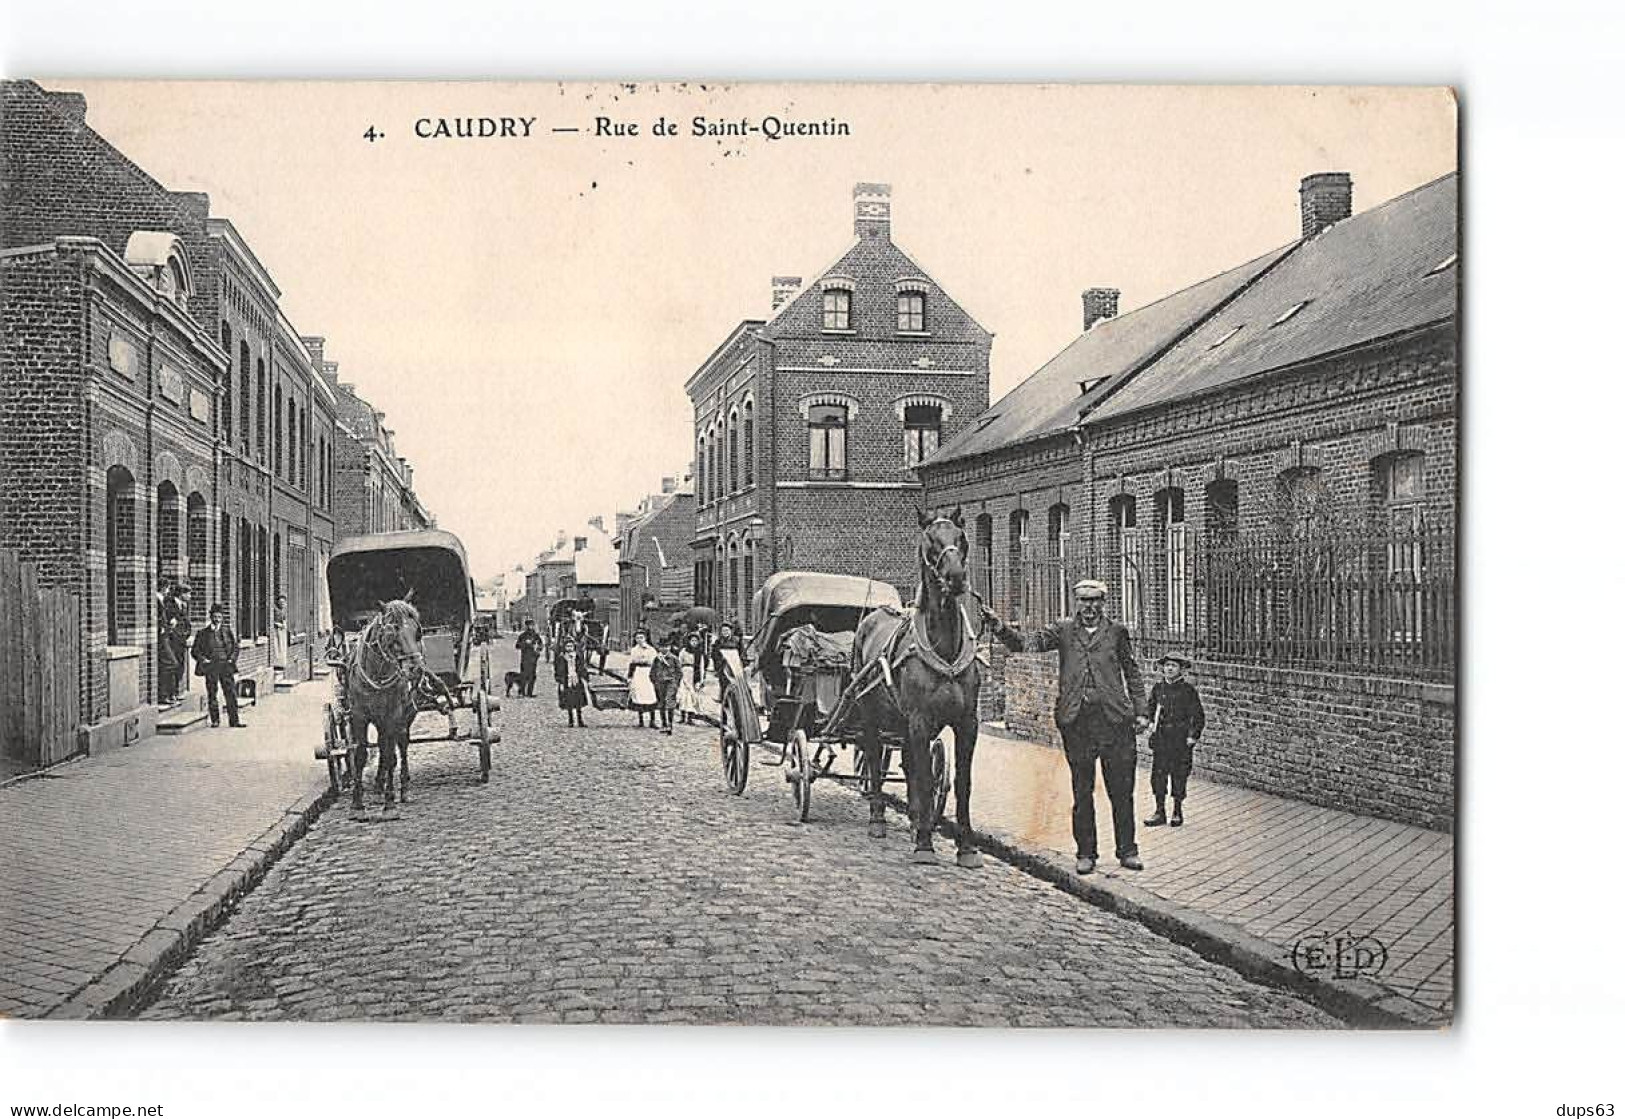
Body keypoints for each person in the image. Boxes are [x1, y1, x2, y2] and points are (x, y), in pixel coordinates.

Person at [984, 579, 1148, 875]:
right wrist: (999, 628)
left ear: (1104, 603)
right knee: (1082, 790)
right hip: (1078, 722)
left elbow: (1132, 672)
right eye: (1084, 601)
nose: (1090, 607)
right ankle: (1086, 853)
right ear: (1076, 603)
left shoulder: (1117, 633)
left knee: (1121, 790)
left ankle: (1128, 850)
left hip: (1115, 722)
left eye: (1095, 600)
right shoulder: (1062, 631)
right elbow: (1026, 644)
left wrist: (1141, 712)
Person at [1144, 652, 1206, 828]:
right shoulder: (1158, 688)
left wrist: (1192, 736)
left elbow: (1198, 716)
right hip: (1161, 739)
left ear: (1181, 670)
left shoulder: (1188, 691)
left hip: (1180, 740)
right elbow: (1150, 709)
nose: (1169, 668)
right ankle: (1159, 811)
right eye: (1167, 665)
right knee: (1158, 775)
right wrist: (1147, 722)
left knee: (1179, 775)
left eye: (1174, 666)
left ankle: (1177, 811)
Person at [193, 603, 245, 728]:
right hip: (211, 666)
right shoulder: (203, 633)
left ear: (222, 618)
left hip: (226, 666)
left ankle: (234, 721)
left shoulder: (227, 631)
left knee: (231, 693)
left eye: (219, 617)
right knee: (212, 693)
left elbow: (235, 647)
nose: (217, 619)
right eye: (215, 617)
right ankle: (215, 720)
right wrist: (203, 659)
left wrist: (232, 659)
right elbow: (195, 650)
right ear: (210, 617)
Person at [626, 628, 659, 728]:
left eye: (641, 637)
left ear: (645, 638)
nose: (639, 640)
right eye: (637, 638)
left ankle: (652, 720)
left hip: (648, 673)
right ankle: (641, 720)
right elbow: (632, 663)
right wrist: (629, 676)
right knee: (639, 695)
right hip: (638, 673)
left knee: (650, 694)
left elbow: (655, 663)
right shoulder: (634, 650)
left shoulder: (651, 650)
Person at [555, 637, 589, 727]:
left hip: (577, 681)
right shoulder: (561, 658)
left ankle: (580, 720)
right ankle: (570, 721)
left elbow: (582, 668)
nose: (569, 648)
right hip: (567, 682)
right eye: (567, 646)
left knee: (578, 702)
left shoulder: (577, 657)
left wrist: (585, 677)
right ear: (565, 647)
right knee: (569, 702)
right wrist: (561, 682)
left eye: (571, 646)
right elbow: (558, 671)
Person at [167, 584, 193, 702]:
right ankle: (171, 692)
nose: (190, 596)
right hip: (173, 641)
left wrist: (186, 634)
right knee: (174, 665)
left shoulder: (184, 605)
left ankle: (177, 690)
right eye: (188, 593)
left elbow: (186, 623)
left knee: (180, 666)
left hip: (181, 640)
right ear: (181, 594)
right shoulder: (171, 604)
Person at [650, 635, 680, 735]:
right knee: (661, 703)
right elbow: (652, 672)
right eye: (662, 646)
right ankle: (664, 724)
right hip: (659, 683)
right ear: (659, 648)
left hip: (671, 683)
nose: (664, 649)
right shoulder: (656, 659)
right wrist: (654, 681)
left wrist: (676, 683)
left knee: (669, 701)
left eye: (667, 646)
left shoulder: (674, 658)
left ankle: (670, 724)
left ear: (670, 647)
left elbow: (679, 672)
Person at [677, 632, 704, 725]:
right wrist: (679, 675)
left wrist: (700, 680)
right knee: (683, 695)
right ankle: (682, 716)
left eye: (696, 641)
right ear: (688, 641)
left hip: (694, 674)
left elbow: (701, 666)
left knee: (692, 695)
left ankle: (690, 718)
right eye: (692, 641)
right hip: (684, 673)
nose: (694, 643)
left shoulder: (699, 653)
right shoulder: (683, 651)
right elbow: (678, 663)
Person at [515, 619, 544, 698]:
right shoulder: (522, 635)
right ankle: (522, 692)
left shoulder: (536, 635)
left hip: (533, 658)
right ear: (526, 626)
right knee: (524, 675)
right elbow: (517, 645)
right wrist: (525, 643)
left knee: (532, 675)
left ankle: (530, 692)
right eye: (528, 625)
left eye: (531, 625)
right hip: (524, 658)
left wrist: (538, 649)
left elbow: (541, 645)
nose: (530, 626)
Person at [271, 593, 289, 672]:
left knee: (282, 645)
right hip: (276, 630)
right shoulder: (275, 610)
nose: (282, 604)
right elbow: (272, 621)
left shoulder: (283, 611)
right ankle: (277, 662)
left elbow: (284, 619)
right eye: (280, 603)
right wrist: (277, 624)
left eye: (283, 603)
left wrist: (284, 624)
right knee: (276, 645)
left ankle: (281, 663)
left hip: (282, 630)